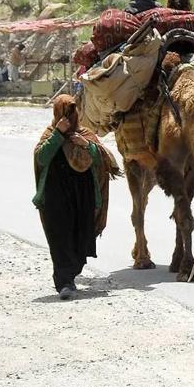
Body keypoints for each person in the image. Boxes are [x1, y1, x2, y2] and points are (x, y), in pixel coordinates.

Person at [33, 95, 121, 300]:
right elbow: (41, 157)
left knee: (81, 237)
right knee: (60, 237)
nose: (70, 117)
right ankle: (65, 281)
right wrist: (58, 135)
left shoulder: (85, 133)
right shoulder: (50, 134)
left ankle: (72, 273)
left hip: (83, 196)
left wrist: (85, 144)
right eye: (66, 113)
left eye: (73, 113)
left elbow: (104, 158)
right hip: (56, 196)